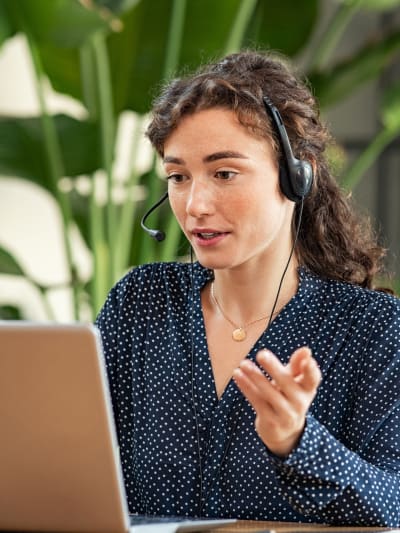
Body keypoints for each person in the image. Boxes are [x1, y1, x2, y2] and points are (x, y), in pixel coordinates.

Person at [95, 50, 400, 526]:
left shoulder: (372, 329)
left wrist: (296, 441)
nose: (194, 204)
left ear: (298, 177)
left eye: (224, 173)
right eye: (178, 177)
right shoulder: (141, 302)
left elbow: (394, 503)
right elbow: (76, 468)